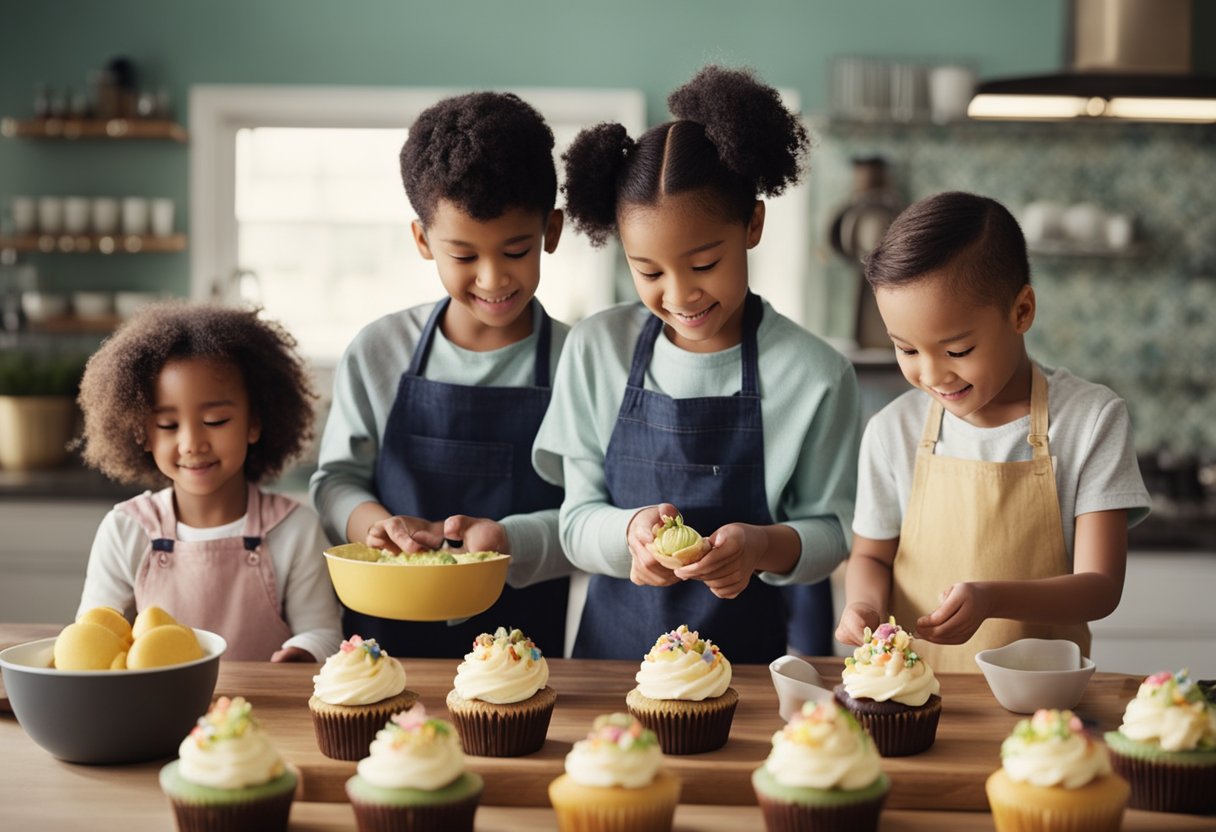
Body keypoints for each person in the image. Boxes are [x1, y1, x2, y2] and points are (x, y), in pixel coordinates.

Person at [532, 65, 861, 663]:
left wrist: (760, 547)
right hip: (612, 670)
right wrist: (629, 534)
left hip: (748, 678)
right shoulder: (594, 350)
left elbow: (834, 533)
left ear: (752, 225)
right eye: (650, 272)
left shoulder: (815, 375)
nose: (680, 295)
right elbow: (575, 521)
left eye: (705, 263)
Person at [834, 191, 1151, 672]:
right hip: (914, 697)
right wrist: (863, 607)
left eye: (957, 350)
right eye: (907, 350)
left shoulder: (1090, 420)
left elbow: (1100, 587)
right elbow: (871, 559)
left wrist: (990, 598)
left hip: (1044, 701)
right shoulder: (891, 431)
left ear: (1021, 311)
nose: (933, 375)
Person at [310, 91, 573, 657]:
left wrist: (509, 542)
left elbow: (589, 514)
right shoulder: (380, 351)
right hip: (381, 650)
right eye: (464, 255)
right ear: (423, 241)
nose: (493, 277)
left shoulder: (579, 362)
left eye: (516, 249)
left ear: (551, 231)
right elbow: (334, 482)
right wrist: (373, 526)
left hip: (525, 652)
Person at [75, 302, 342, 662]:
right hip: (156, 716)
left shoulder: (295, 529)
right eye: (168, 425)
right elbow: (92, 636)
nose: (192, 444)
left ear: (254, 423)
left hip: (263, 714)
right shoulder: (125, 530)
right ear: (142, 434)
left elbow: (324, 633)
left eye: (216, 420)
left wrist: (303, 651)